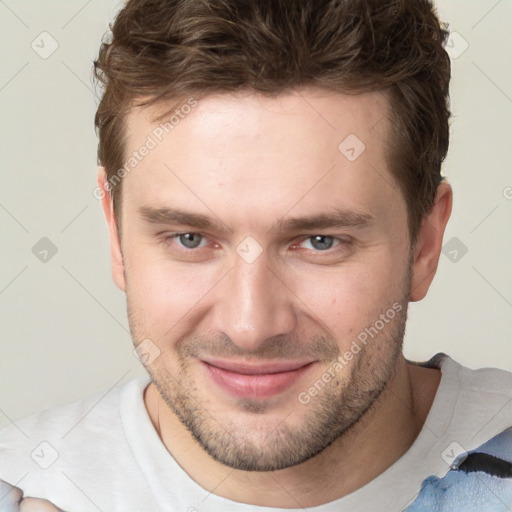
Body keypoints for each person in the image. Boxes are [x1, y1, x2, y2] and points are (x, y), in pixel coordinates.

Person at [1, 0, 511, 510]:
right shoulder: (24, 478)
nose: (250, 326)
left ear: (424, 244)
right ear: (116, 235)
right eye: (190, 239)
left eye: (319, 242)